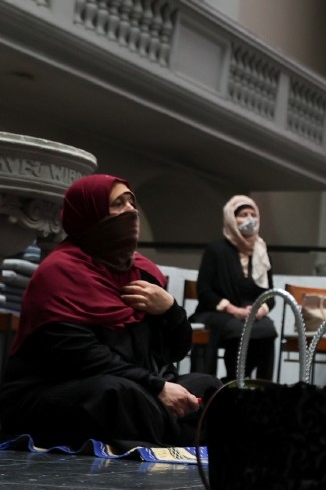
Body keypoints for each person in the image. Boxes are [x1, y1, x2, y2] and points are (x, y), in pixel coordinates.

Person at [0, 174, 220, 448]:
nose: (131, 211)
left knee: (208, 386)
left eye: (132, 202)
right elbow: (83, 357)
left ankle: (169, 435)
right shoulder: (59, 273)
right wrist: (157, 387)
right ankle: (182, 438)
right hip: (61, 386)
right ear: (89, 216)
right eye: (118, 204)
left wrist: (170, 310)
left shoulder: (144, 273)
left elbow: (174, 352)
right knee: (117, 394)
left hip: (138, 382)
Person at [191, 195, 277, 382]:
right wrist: (233, 310)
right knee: (237, 328)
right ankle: (230, 381)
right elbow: (204, 290)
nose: (249, 219)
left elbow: (270, 296)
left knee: (268, 329)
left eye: (253, 214)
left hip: (249, 313)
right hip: (217, 311)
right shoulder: (215, 249)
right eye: (243, 214)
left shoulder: (261, 252)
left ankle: (262, 387)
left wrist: (259, 310)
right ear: (231, 218)